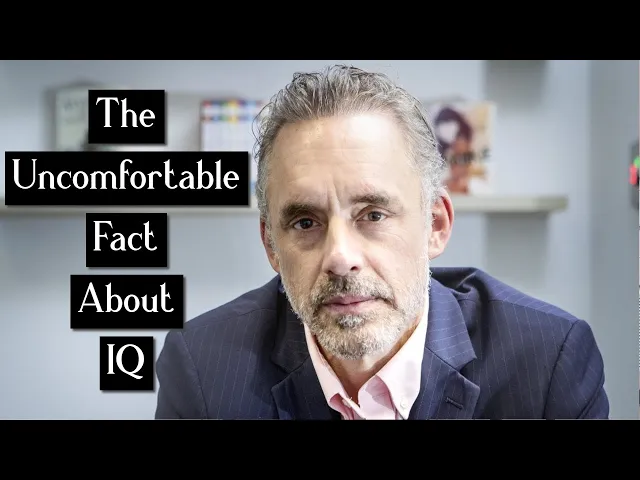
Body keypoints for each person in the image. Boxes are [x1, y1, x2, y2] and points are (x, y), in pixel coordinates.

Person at [155, 65, 609, 420]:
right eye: (306, 222)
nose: (340, 257)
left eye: (373, 215)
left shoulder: (548, 361)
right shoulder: (203, 367)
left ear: (435, 225)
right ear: (271, 246)